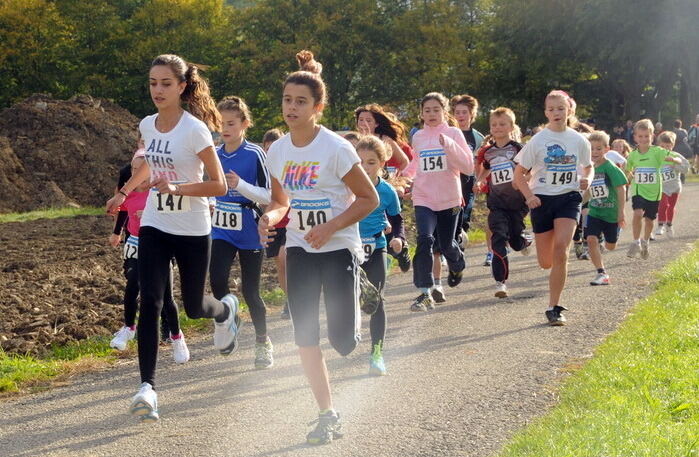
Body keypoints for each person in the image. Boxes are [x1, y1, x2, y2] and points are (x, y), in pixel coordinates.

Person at [106, 54, 240, 423]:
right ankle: (147, 388)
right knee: (150, 299)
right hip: (155, 222)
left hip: (192, 228)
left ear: (182, 87)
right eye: (152, 83)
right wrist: (125, 192)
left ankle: (227, 309)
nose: (158, 90)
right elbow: (149, 160)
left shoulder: (195, 130)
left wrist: (178, 187)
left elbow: (217, 183)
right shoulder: (147, 124)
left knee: (195, 307)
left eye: (166, 83)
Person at [258, 50, 378, 445]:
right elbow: (281, 202)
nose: (291, 107)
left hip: (339, 247)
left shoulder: (336, 149)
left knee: (343, 343)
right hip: (300, 250)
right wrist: (271, 219)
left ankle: (359, 291)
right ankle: (327, 413)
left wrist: (330, 227)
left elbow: (368, 199)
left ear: (318, 108)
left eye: (301, 101)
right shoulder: (276, 151)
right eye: (287, 100)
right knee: (304, 335)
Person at [513, 90, 593, 326]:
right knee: (546, 262)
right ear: (546, 112)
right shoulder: (538, 141)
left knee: (562, 250)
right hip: (542, 201)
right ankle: (549, 276)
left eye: (560, 108)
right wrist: (529, 196)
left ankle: (554, 307)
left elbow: (588, 167)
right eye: (551, 109)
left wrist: (587, 178)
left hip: (568, 198)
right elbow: (518, 175)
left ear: (570, 111)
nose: (556, 113)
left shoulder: (579, 141)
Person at [209, 96, 274, 369]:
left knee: (251, 291)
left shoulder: (255, 153)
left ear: (244, 124)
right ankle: (229, 319)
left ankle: (263, 343)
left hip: (249, 225)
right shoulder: (213, 152)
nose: (225, 128)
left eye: (231, 123)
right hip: (221, 227)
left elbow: (269, 194)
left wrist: (242, 185)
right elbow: (207, 186)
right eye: (221, 123)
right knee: (217, 280)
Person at [109, 150, 186, 358]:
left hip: (160, 243)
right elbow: (122, 210)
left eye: (139, 170)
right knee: (132, 283)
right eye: (133, 169)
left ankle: (177, 336)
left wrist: (153, 214)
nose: (135, 174)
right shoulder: (129, 192)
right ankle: (128, 328)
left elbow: (178, 214)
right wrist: (116, 229)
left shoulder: (160, 190)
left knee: (166, 296)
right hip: (135, 242)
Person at [402, 92, 473, 311]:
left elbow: (468, 167)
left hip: (449, 198)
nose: (431, 114)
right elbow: (416, 162)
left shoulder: (454, 133)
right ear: (421, 113)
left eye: (436, 110)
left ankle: (457, 262)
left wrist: (450, 145)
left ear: (444, 112)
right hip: (423, 197)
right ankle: (425, 291)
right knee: (424, 239)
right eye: (427, 110)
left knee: (447, 245)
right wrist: (404, 179)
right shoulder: (419, 136)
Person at [355, 135, 404, 376]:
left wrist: (399, 238)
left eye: (371, 162)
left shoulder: (386, 191)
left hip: (376, 247)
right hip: (349, 250)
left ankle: (376, 353)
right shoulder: (346, 188)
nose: (364, 167)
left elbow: (397, 221)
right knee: (350, 299)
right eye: (360, 161)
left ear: (382, 164)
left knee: (376, 300)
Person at [475, 107, 530, 298]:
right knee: (498, 237)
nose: (497, 128)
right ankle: (500, 282)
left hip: (517, 203)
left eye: (502, 124)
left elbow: (531, 171)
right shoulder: (488, 152)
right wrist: (481, 180)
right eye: (494, 124)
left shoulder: (518, 149)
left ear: (511, 126)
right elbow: (486, 169)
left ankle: (523, 241)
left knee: (514, 241)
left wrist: (522, 179)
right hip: (496, 203)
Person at [625, 119, 682, 259]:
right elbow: (627, 171)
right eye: (640, 136)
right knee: (637, 213)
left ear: (652, 137)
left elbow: (679, 159)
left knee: (649, 221)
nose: (643, 139)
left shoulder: (658, 152)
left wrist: (674, 160)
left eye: (646, 136)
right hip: (639, 190)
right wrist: (629, 176)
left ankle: (645, 241)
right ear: (635, 137)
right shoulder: (632, 155)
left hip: (654, 193)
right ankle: (636, 242)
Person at [584, 131, 627, 285]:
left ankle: (615, 232)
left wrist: (621, 212)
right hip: (595, 212)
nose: (594, 152)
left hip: (611, 214)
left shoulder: (610, 168)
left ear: (606, 149)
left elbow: (621, 188)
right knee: (590, 239)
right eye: (592, 149)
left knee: (610, 246)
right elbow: (590, 191)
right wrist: (578, 202)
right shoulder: (589, 168)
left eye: (598, 149)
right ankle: (601, 273)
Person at [261, 128, 291, 319]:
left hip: (291, 222)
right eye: (267, 149)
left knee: (284, 258)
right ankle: (290, 299)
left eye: (274, 148)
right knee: (280, 266)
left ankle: (297, 299)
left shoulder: (290, 165)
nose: (270, 152)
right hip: (273, 223)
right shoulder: (263, 168)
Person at [451, 95, 484, 242]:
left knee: (465, 214)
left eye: (464, 112)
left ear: (471, 114)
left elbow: (480, 162)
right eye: (457, 112)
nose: (460, 116)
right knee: (451, 213)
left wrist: (480, 180)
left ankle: (460, 243)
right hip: (450, 180)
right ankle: (449, 244)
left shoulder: (478, 138)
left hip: (468, 181)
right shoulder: (448, 133)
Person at [355, 104, 410, 174]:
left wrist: (399, 179)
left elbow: (404, 161)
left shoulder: (385, 140)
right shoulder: (354, 139)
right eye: (361, 120)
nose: (364, 123)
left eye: (368, 120)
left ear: (376, 124)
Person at [655, 131, 691, 237]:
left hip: (675, 187)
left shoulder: (676, 156)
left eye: (668, 146)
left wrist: (675, 165)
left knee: (671, 207)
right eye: (662, 146)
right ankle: (660, 224)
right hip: (662, 187)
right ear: (658, 146)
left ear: (672, 145)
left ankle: (669, 225)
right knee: (663, 205)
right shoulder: (657, 156)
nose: (665, 148)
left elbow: (686, 168)